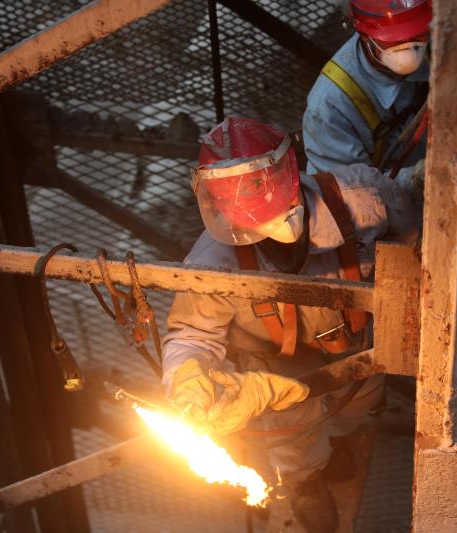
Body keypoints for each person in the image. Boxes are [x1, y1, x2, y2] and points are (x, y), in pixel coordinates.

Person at [162, 117, 416, 532]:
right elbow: (192, 334)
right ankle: (306, 482)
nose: (264, 234)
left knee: (356, 407)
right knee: (293, 440)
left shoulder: (363, 199)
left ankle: (339, 441)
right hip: (275, 368)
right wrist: (186, 374)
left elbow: (415, 243)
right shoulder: (213, 261)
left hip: (357, 348)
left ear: (289, 178)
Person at [303, 0, 432, 174]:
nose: (409, 45)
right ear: (364, 36)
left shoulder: (439, 38)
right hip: (377, 187)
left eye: (416, 32)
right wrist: (418, 177)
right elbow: (352, 187)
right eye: (394, 38)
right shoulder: (329, 107)